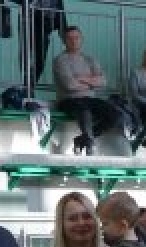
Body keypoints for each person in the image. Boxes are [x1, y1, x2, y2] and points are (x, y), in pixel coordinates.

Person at [52, 26, 119, 156]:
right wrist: (92, 82)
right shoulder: (60, 60)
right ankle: (89, 145)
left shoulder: (90, 59)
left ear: (81, 39)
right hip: (68, 100)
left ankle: (84, 139)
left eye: (76, 38)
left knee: (115, 115)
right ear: (64, 41)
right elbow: (69, 85)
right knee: (84, 110)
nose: (73, 41)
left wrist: (81, 79)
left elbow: (103, 81)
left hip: (89, 99)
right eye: (69, 38)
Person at [20, 0, 67, 95]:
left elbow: (59, 8)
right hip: (29, 20)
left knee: (40, 60)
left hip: (46, 24)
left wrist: (63, 29)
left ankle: (30, 86)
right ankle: (27, 87)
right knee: (26, 55)